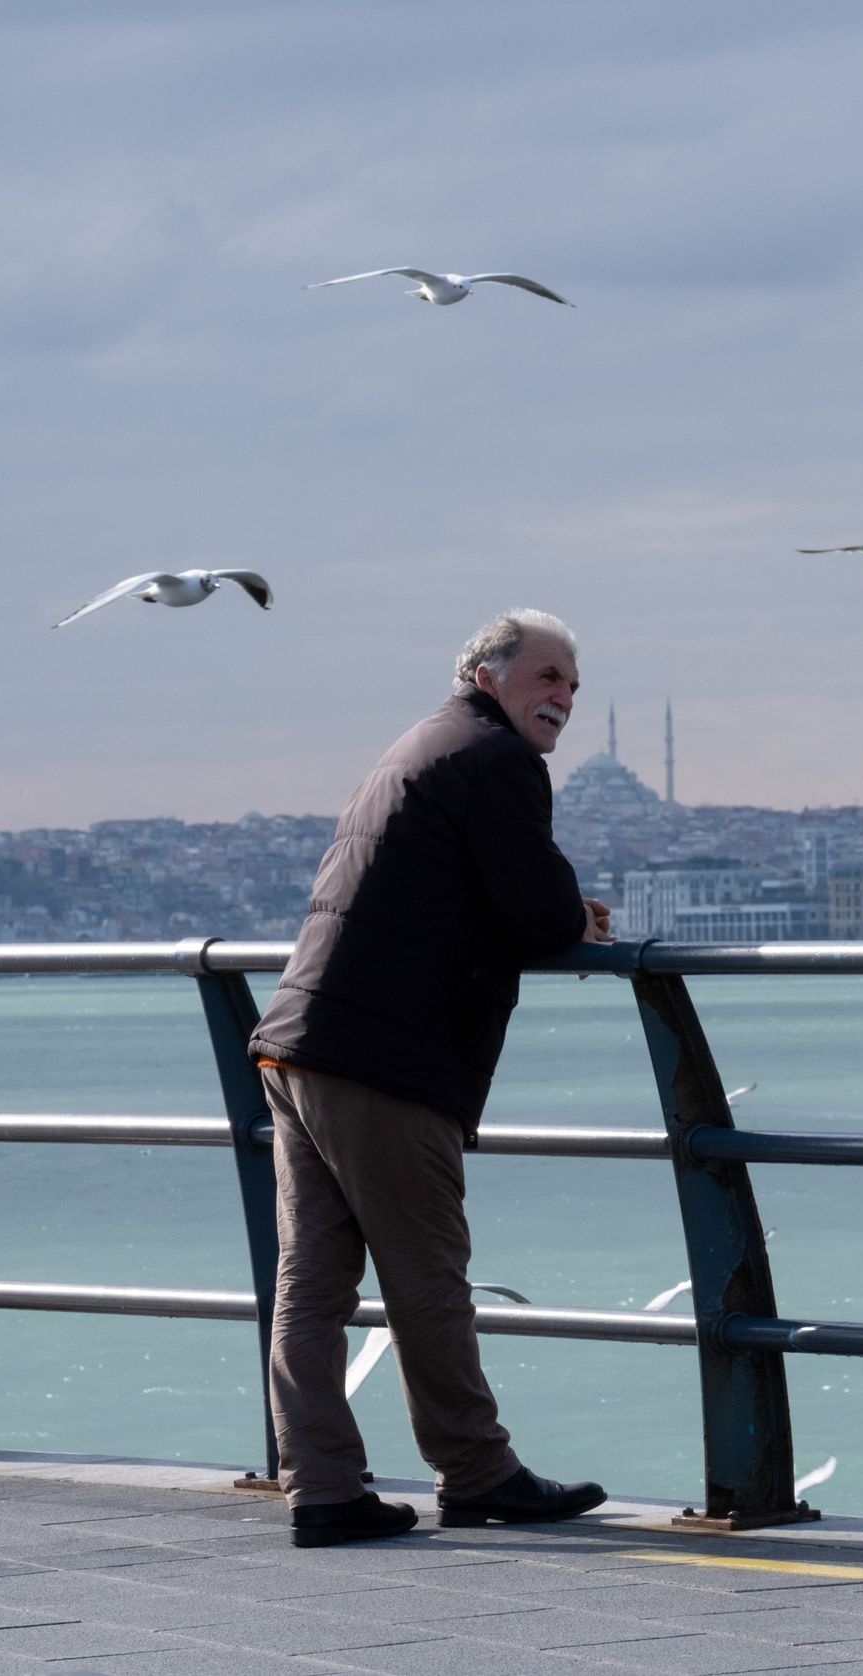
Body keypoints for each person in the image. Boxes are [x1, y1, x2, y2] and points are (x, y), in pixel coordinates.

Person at [247, 608, 615, 1548]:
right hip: (383, 1056)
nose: (565, 698)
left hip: (300, 1039)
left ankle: (322, 1487)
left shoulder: (418, 745)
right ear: (488, 675)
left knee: (311, 1285)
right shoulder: (497, 762)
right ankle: (477, 1470)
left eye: (573, 684)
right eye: (548, 677)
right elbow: (536, 915)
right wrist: (575, 913)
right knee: (427, 1275)